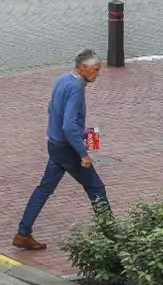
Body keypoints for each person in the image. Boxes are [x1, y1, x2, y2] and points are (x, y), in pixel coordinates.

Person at [13, 49, 110, 251]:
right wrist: (83, 153)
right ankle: (112, 234)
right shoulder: (77, 87)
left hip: (55, 144)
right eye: (95, 69)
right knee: (96, 187)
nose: (98, 73)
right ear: (83, 68)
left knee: (44, 189)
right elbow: (69, 125)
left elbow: (51, 108)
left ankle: (23, 233)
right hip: (68, 149)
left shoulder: (63, 79)